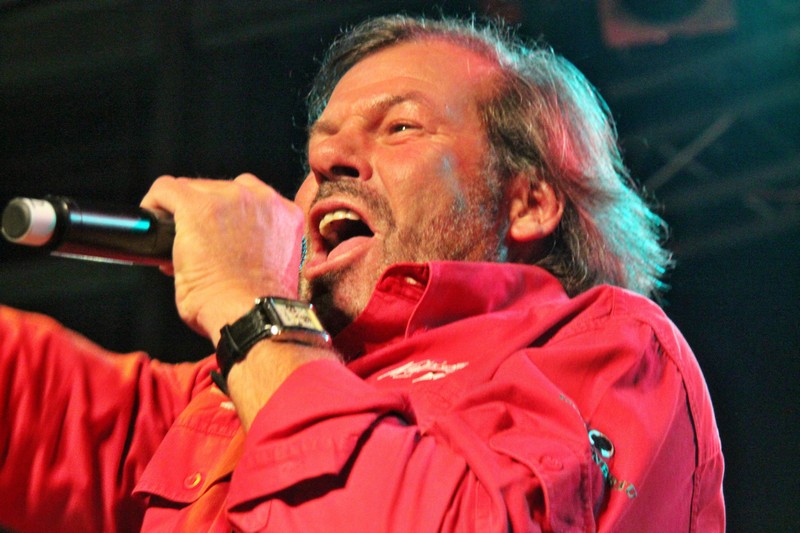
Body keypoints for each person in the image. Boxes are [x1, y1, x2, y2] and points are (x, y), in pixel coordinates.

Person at [0, 14, 724, 532]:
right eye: (321, 143)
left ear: (528, 201)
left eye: (401, 126)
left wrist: (256, 311)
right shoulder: (232, 392)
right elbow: (43, 401)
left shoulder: (611, 349)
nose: (326, 160)